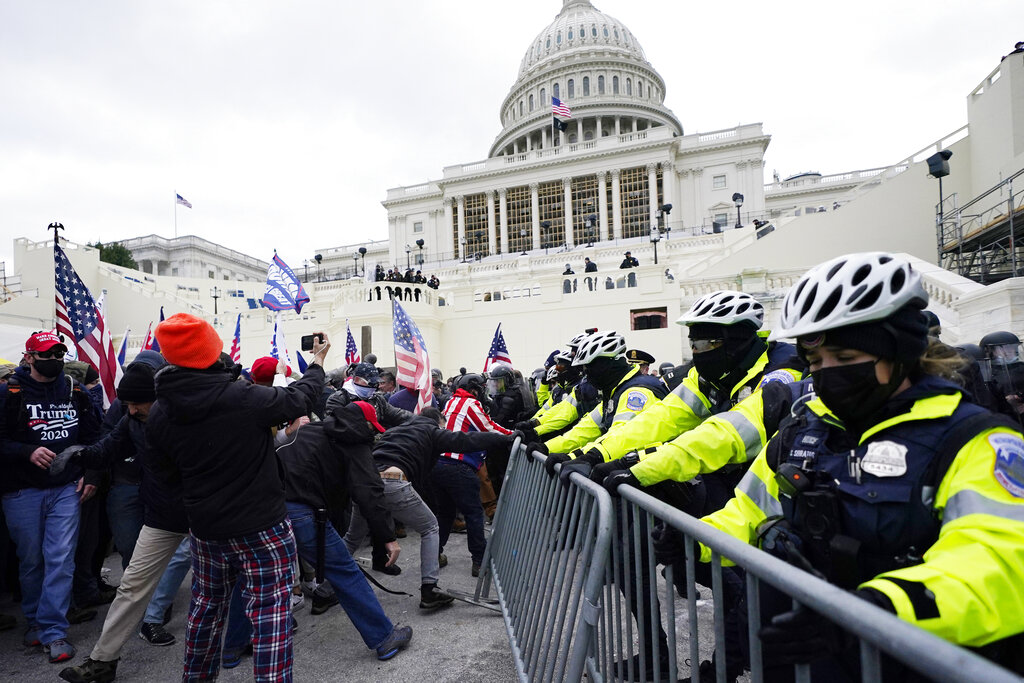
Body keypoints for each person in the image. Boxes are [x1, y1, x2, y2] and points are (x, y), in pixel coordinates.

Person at [688, 252, 1024, 680]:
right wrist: (693, 538)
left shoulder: (976, 440)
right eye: (815, 363)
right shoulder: (803, 429)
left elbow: (999, 562)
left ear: (898, 354)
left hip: (909, 659)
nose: (827, 375)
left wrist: (875, 610)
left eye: (845, 360)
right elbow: (751, 511)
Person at [145, 314, 330, 683]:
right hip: (262, 526)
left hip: (206, 530)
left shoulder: (161, 412)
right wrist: (317, 363)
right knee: (270, 614)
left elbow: (164, 475)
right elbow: (301, 398)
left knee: (205, 610)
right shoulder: (241, 397)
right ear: (212, 350)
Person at [58, 361, 195, 683]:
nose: (131, 410)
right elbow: (107, 448)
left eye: (137, 403)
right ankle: (102, 661)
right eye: (127, 404)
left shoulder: (191, 416)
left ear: (159, 397)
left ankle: (260, 633)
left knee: (227, 583)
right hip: (162, 516)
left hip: (205, 515)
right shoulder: (132, 419)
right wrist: (78, 454)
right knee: (131, 585)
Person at [273, 400, 412, 660]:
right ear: (365, 425)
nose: (375, 434)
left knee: (259, 575)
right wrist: (388, 538)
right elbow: (369, 492)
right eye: (374, 428)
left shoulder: (309, 429)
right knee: (346, 573)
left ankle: (235, 644)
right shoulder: (355, 441)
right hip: (304, 514)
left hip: (270, 509)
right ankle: (384, 637)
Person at [345, 406, 518, 608]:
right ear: (439, 422)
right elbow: (467, 440)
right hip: (393, 482)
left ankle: (324, 589)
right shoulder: (432, 431)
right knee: (430, 528)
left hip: (364, 484)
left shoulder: (393, 432)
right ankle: (429, 590)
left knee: (352, 538)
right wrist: (506, 438)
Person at [0, 331, 102, 664]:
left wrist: (92, 474)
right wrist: (26, 452)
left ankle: (54, 630)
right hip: (21, 491)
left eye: (60, 354)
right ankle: (34, 620)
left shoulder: (75, 392)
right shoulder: (8, 393)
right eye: (47, 354)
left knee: (60, 558)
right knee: (32, 561)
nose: (55, 360)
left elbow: (93, 438)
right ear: (28, 357)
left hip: (65, 488)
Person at [433, 373, 511, 576]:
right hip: (459, 465)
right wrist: (513, 435)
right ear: (474, 389)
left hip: (437, 463)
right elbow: (489, 428)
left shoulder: (450, 402)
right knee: (474, 513)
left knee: (445, 514)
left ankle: (434, 555)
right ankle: (479, 561)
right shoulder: (469, 404)